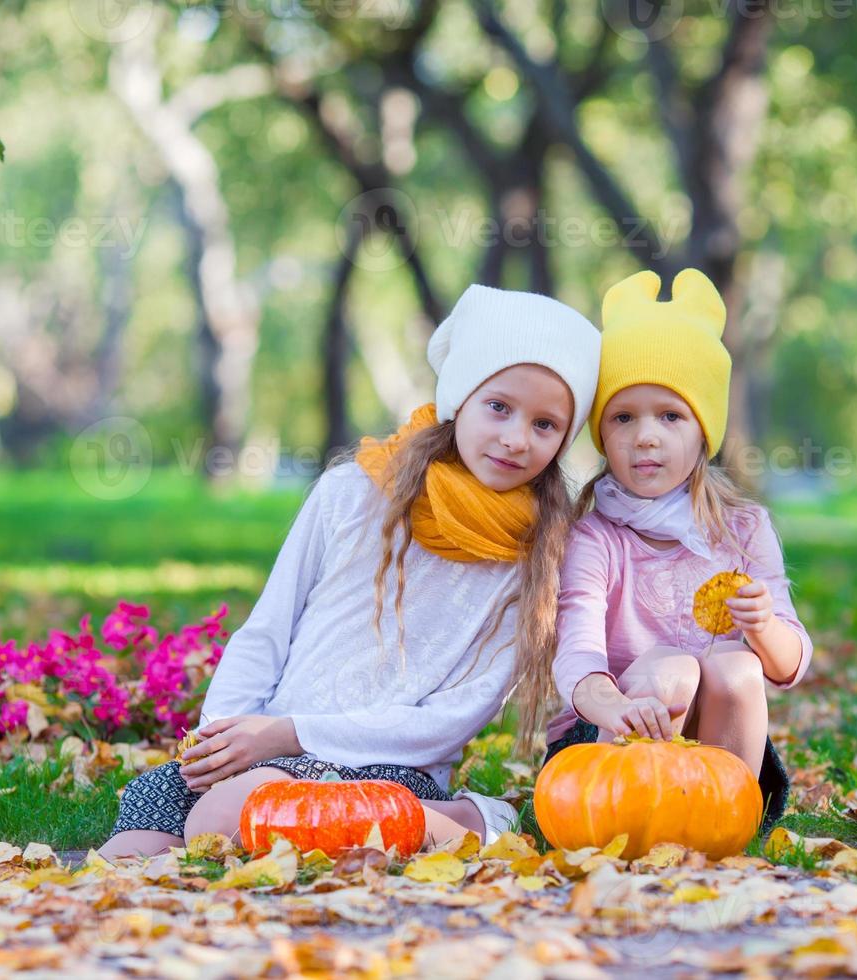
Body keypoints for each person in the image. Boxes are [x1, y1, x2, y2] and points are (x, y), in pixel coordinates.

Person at [99, 282, 602, 858]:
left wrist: (290, 735)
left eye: (545, 425)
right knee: (138, 840)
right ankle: (431, 829)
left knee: (223, 819)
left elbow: (450, 720)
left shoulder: (533, 558)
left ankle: (459, 820)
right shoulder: (352, 493)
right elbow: (267, 630)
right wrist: (223, 736)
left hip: (387, 768)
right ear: (460, 397)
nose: (516, 438)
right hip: (269, 747)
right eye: (499, 407)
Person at [547, 268, 813, 834]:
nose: (646, 436)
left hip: (716, 758)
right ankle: (642, 821)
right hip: (606, 753)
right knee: (672, 666)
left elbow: (787, 665)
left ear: (703, 431)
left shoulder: (742, 528)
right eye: (623, 417)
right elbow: (577, 654)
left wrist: (764, 625)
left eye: (670, 416)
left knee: (737, 666)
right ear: (601, 434)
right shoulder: (596, 538)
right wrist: (610, 703)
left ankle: (726, 822)